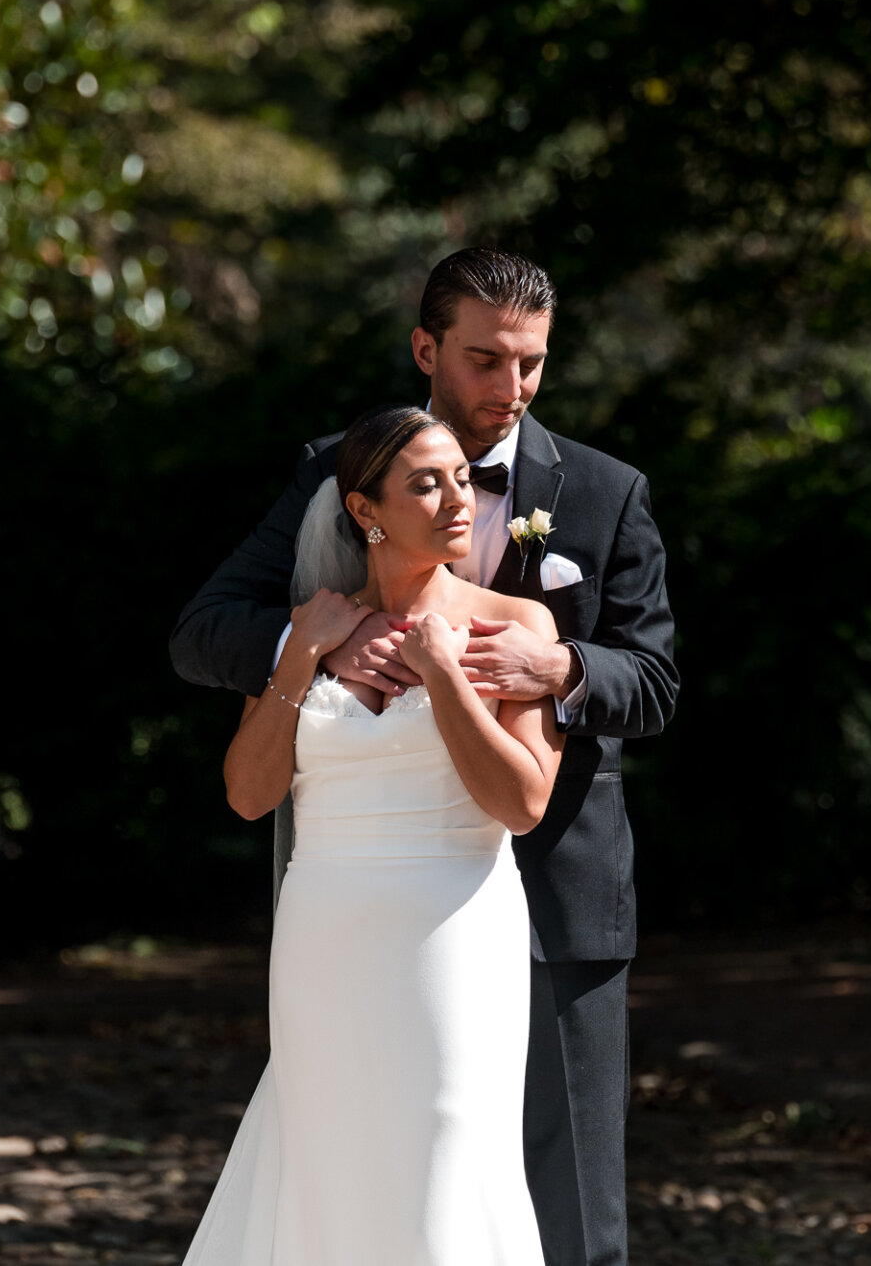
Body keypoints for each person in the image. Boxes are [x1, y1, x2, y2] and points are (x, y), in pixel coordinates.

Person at [169, 248, 678, 1266]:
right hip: (361, 903)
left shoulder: (609, 493)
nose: (513, 388)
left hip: (554, 885)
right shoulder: (340, 468)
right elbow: (204, 629)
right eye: (486, 361)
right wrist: (312, 644)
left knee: (575, 1212)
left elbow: (654, 684)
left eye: (531, 364)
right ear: (425, 349)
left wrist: (561, 662)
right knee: (367, 1169)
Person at [186, 406, 558, 1264]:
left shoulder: (514, 624)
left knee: (446, 1141)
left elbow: (523, 802)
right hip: (324, 933)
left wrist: (443, 672)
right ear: (365, 512)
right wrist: (296, 659)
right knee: (328, 1150)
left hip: (455, 928)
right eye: (426, 484)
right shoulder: (308, 625)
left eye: (461, 479)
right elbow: (249, 794)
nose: (457, 501)